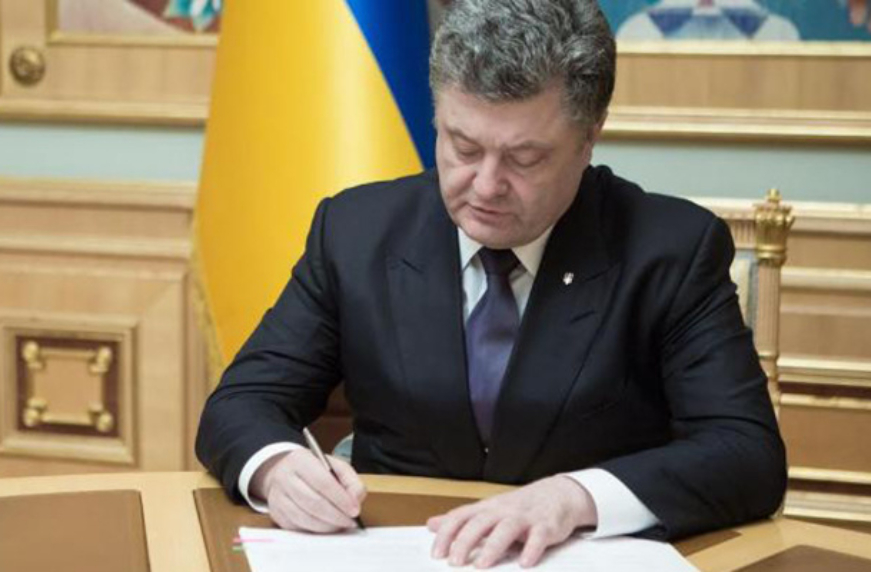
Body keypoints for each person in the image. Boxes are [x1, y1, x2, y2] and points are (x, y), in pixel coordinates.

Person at [196, 0, 786, 568]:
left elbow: (747, 455)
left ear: (590, 136)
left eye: (524, 159)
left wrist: (575, 497)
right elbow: (243, 402)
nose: (484, 186)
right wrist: (276, 467)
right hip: (394, 552)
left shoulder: (671, 249)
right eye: (463, 147)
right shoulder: (356, 231)